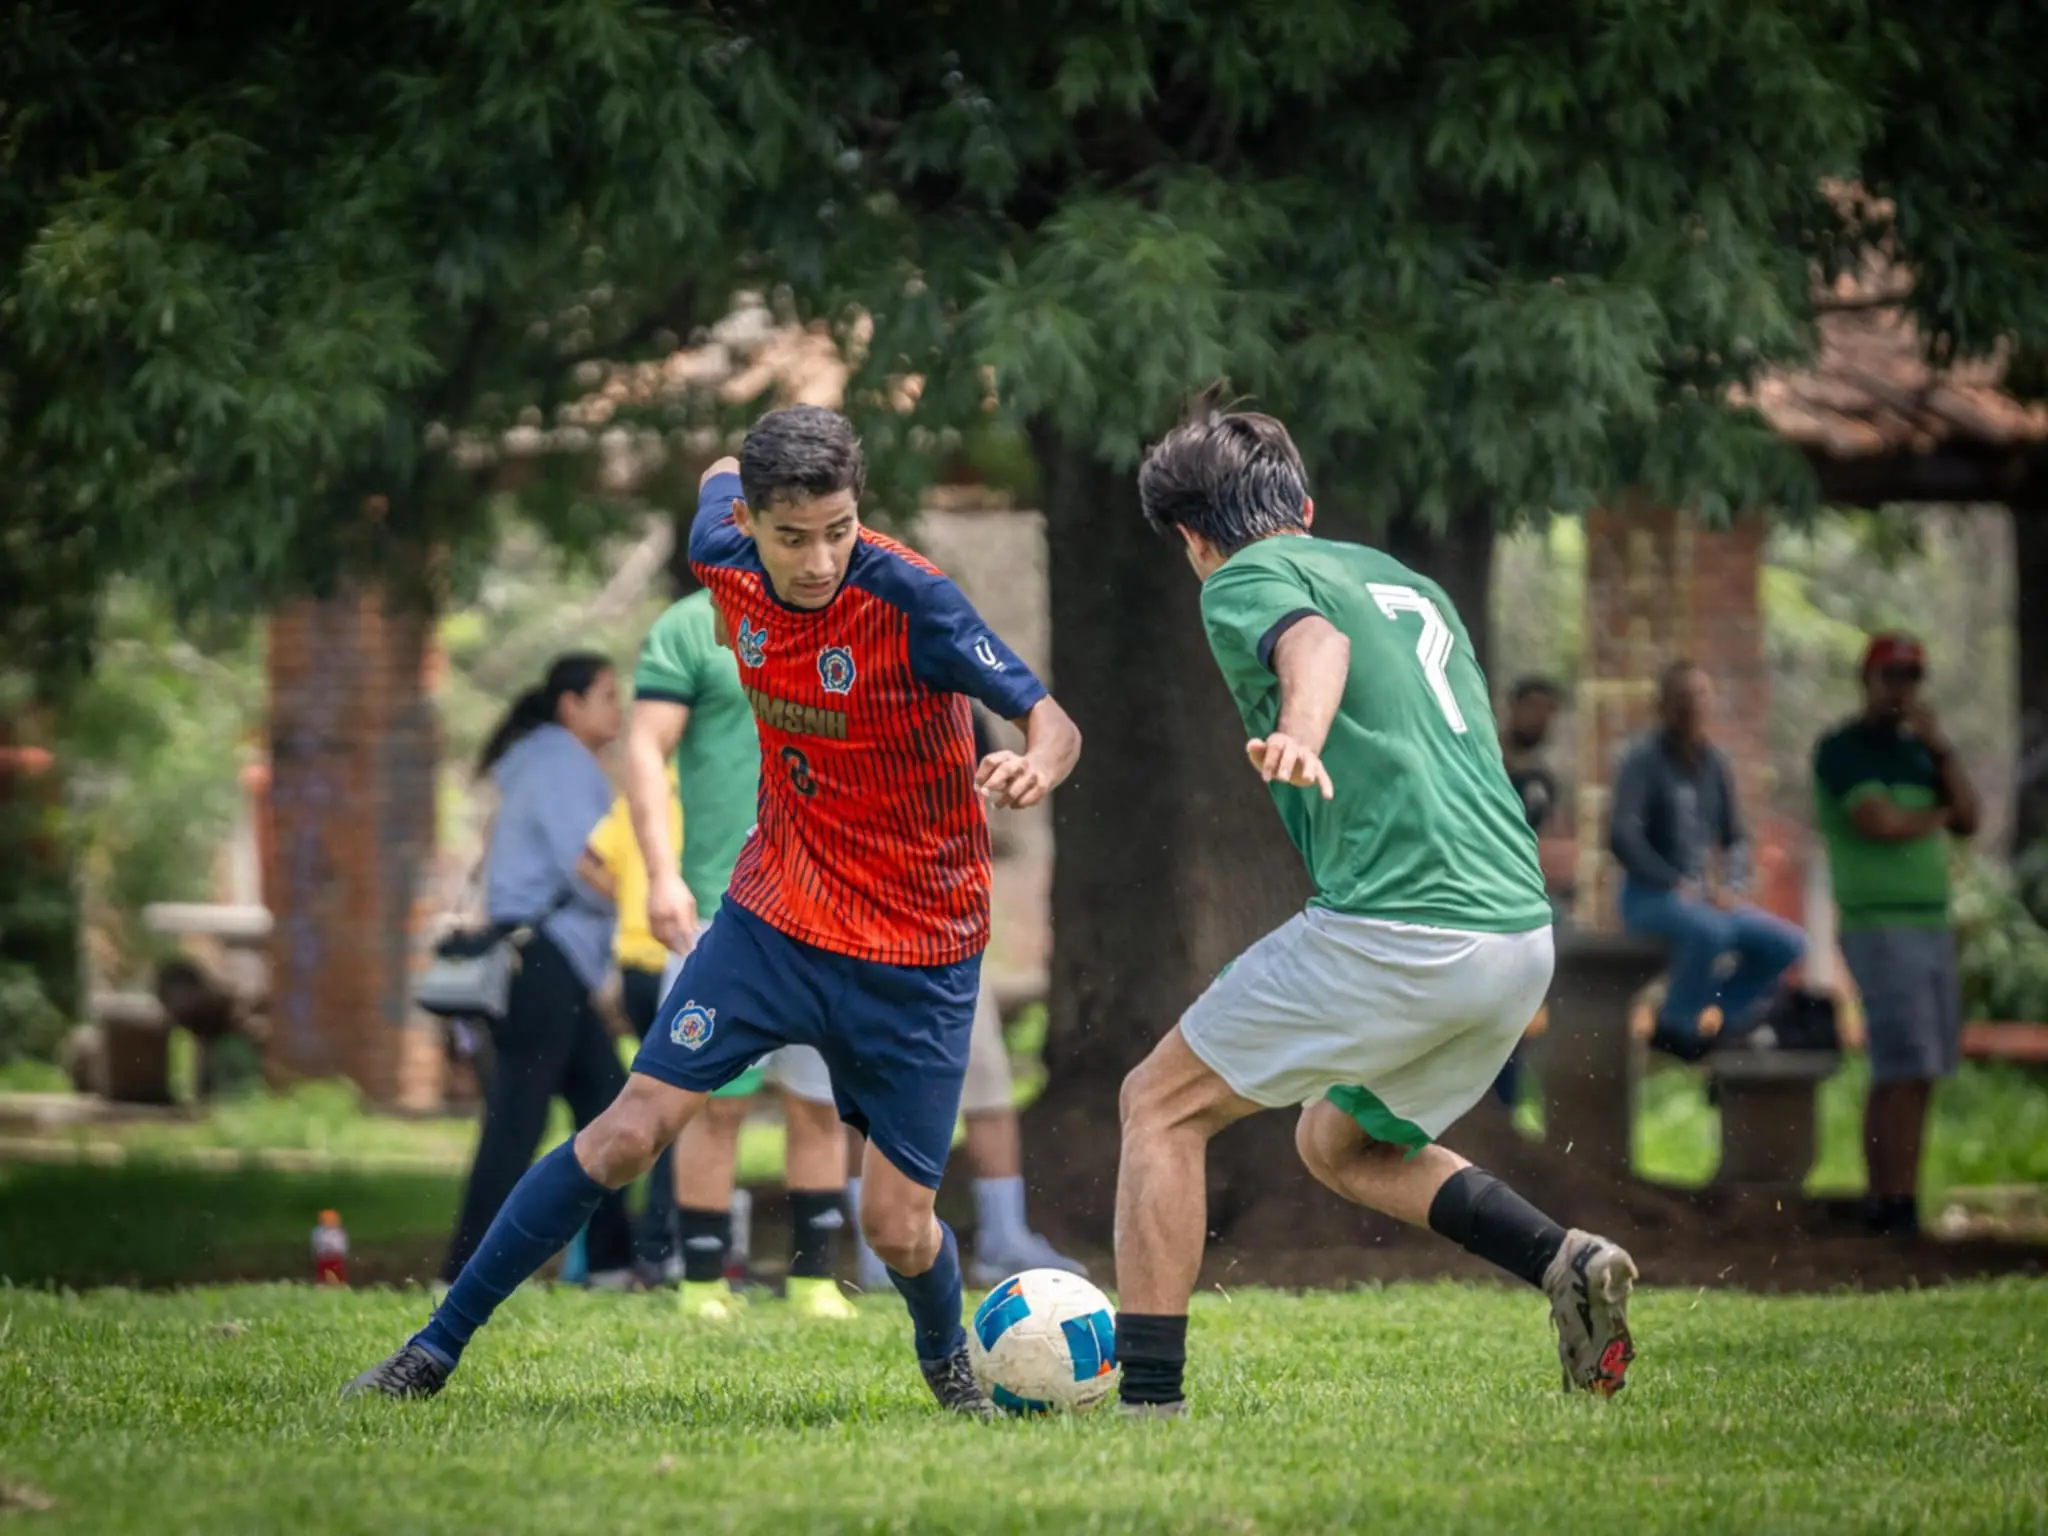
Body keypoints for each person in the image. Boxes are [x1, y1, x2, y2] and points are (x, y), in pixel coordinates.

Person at [347, 405, 1082, 1413]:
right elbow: (714, 468)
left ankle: (950, 1368)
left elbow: (1052, 719)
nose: (819, 558)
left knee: (899, 1227)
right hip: (773, 916)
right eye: (792, 536)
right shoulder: (718, 552)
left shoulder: (915, 601)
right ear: (749, 522)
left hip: (915, 949)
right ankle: (427, 1354)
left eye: (838, 528)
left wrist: (1033, 764)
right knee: (625, 1131)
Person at [1111, 397, 1637, 1420]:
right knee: (1338, 1144)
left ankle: (1146, 1403)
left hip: (1403, 929)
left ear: (1189, 536)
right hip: (1517, 936)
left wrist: (1300, 729)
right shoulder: (1405, 582)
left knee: (1156, 1105)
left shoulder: (1242, 576)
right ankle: (1562, 1261)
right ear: (1302, 500)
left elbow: (1311, 647)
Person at [626, 588, 858, 1323]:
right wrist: (661, 875)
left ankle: (815, 1281)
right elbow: (642, 745)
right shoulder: (690, 627)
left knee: (820, 1104)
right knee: (707, 1105)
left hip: (828, 910)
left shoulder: (842, 612)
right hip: (720, 908)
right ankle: (700, 1281)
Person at [440, 654, 635, 1288]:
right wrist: (645, 899)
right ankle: (466, 1269)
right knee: (518, 1120)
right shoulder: (558, 761)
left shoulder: (548, 760)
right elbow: (587, 863)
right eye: (606, 695)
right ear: (569, 705)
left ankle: (610, 1265)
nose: (619, 707)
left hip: (552, 963)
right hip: (541, 962)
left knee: (608, 1104)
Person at [1813, 632, 1980, 1236]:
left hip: (1930, 922)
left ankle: (1906, 1197)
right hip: (1879, 926)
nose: (1902, 690)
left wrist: (1940, 748)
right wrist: (1936, 816)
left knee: (1927, 1065)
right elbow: (1878, 822)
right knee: (1897, 1061)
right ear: (1867, 679)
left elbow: (1971, 818)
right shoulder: (1844, 749)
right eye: (1892, 677)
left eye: (1912, 678)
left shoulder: (1921, 754)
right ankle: (1884, 1199)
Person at [1609, 662, 1805, 1059]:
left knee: (1785, 943)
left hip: (1703, 898)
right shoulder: (1643, 761)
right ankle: (1675, 1025)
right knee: (1711, 933)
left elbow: (1735, 838)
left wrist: (1732, 887)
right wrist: (1670, 881)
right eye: (1682, 698)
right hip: (1650, 896)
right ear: (1663, 706)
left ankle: (1724, 1019)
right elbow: (1621, 836)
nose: (1692, 706)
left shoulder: (1714, 764)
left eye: (1700, 695)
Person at [584, 776, 685, 1282]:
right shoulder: (697, 788)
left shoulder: (639, 793)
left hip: (632, 964)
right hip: (677, 956)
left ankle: (651, 1244)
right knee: (679, 1109)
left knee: (650, 1102)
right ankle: (660, 1246)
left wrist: (631, 895)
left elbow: (589, 862)